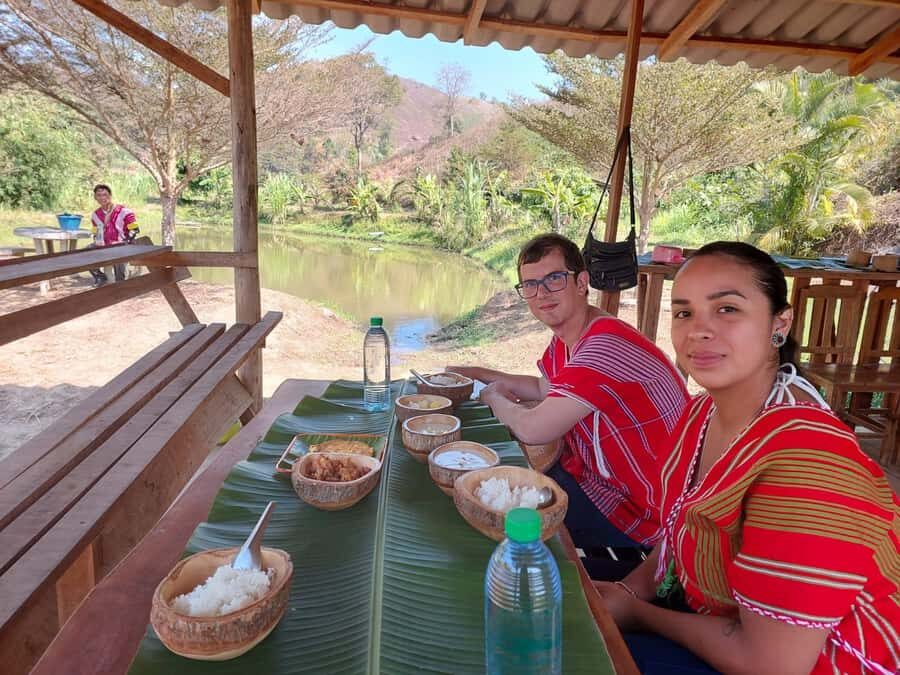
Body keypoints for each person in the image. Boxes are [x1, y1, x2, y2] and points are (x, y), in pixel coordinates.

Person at [594, 242, 899, 675]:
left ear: (780, 323)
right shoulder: (701, 414)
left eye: (727, 310)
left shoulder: (808, 466)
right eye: (684, 313)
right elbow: (678, 533)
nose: (698, 330)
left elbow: (771, 664)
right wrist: (625, 591)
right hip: (712, 615)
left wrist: (635, 614)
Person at [449, 233, 689, 568]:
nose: (541, 293)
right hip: (597, 484)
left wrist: (492, 397)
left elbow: (534, 429)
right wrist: (480, 373)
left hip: (642, 517)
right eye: (530, 284)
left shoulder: (605, 346)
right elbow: (544, 388)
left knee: (491, 511)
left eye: (554, 279)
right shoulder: (572, 338)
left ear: (581, 283)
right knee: (492, 482)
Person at [88, 183, 139, 286]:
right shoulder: (95, 215)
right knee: (86, 251)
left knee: (117, 251)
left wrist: (124, 242)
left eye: (105, 195)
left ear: (110, 196)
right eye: (99, 195)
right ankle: (99, 276)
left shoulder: (125, 211)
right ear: (95, 197)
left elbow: (135, 230)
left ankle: (121, 281)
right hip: (105, 245)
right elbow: (95, 232)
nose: (102, 198)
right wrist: (97, 241)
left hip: (123, 245)